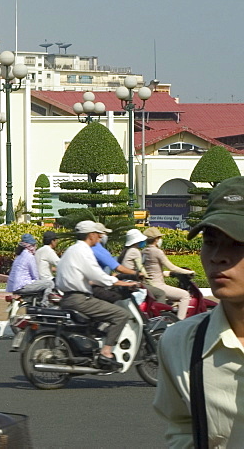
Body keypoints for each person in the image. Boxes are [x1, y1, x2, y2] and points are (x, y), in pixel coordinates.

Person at [154, 176, 244, 447]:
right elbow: (182, 428)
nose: (218, 256)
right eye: (210, 240)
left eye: (238, 243)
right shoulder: (181, 343)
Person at [55, 220, 138, 367]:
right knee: (121, 314)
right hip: (79, 299)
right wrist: (126, 283)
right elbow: (98, 275)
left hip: (68, 297)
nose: (100, 239)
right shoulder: (84, 251)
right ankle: (106, 352)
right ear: (91, 235)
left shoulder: (71, 250)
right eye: (98, 236)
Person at [142, 226, 194, 320]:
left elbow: (152, 270)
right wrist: (188, 272)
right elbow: (172, 267)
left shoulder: (144, 251)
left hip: (149, 284)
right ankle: (179, 322)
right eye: (159, 238)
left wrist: (169, 273)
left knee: (172, 301)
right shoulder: (157, 252)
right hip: (158, 285)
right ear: (156, 239)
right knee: (185, 295)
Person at [119, 228, 168, 305]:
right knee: (160, 293)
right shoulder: (135, 251)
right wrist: (151, 282)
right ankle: (160, 315)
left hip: (125, 280)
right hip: (132, 281)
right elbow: (141, 268)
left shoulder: (126, 251)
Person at [6, 234, 53, 302]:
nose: (35, 248)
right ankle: (44, 303)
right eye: (34, 245)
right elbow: (35, 276)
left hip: (14, 287)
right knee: (50, 283)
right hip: (23, 286)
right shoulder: (29, 256)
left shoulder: (19, 256)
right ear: (30, 246)